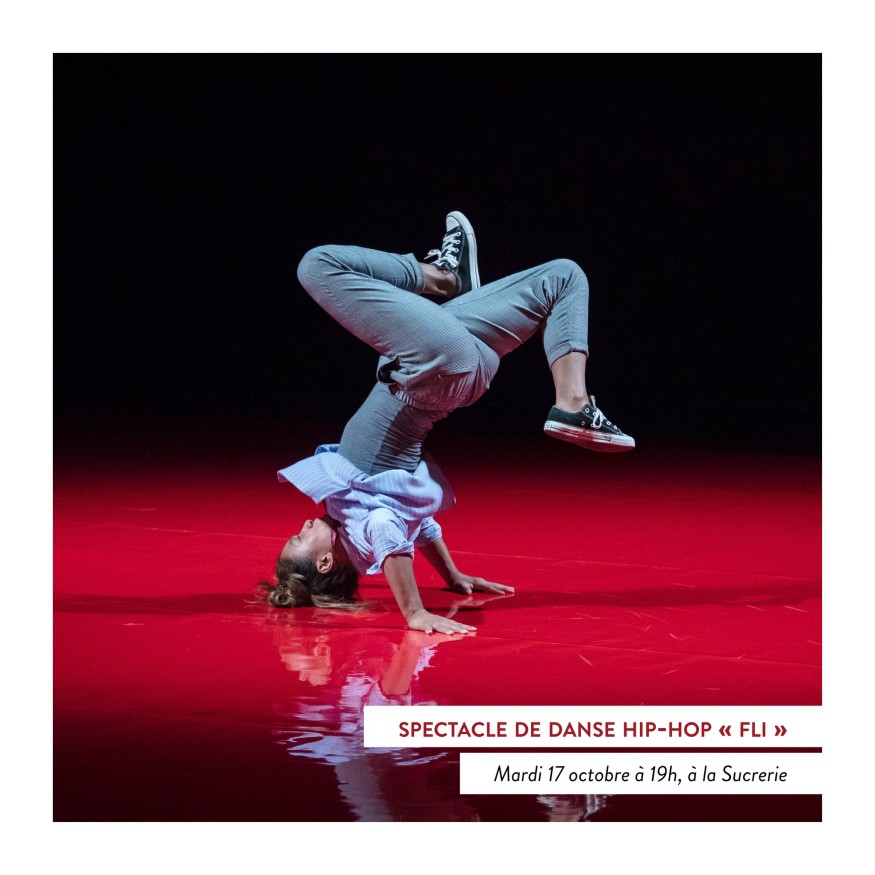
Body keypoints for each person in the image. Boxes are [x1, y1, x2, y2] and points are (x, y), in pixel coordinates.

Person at [258, 212, 635, 634]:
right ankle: (442, 278)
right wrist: (414, 612)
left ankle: (572, 403)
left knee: (563, 277)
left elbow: (420, 527)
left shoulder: (353, 511)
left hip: (455, 371)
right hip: (429, 367)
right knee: (317, 265)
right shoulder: (366, 525)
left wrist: (452, 575)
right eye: (299, 538)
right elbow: (391, 540)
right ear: (325, 561)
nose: (304, 525)